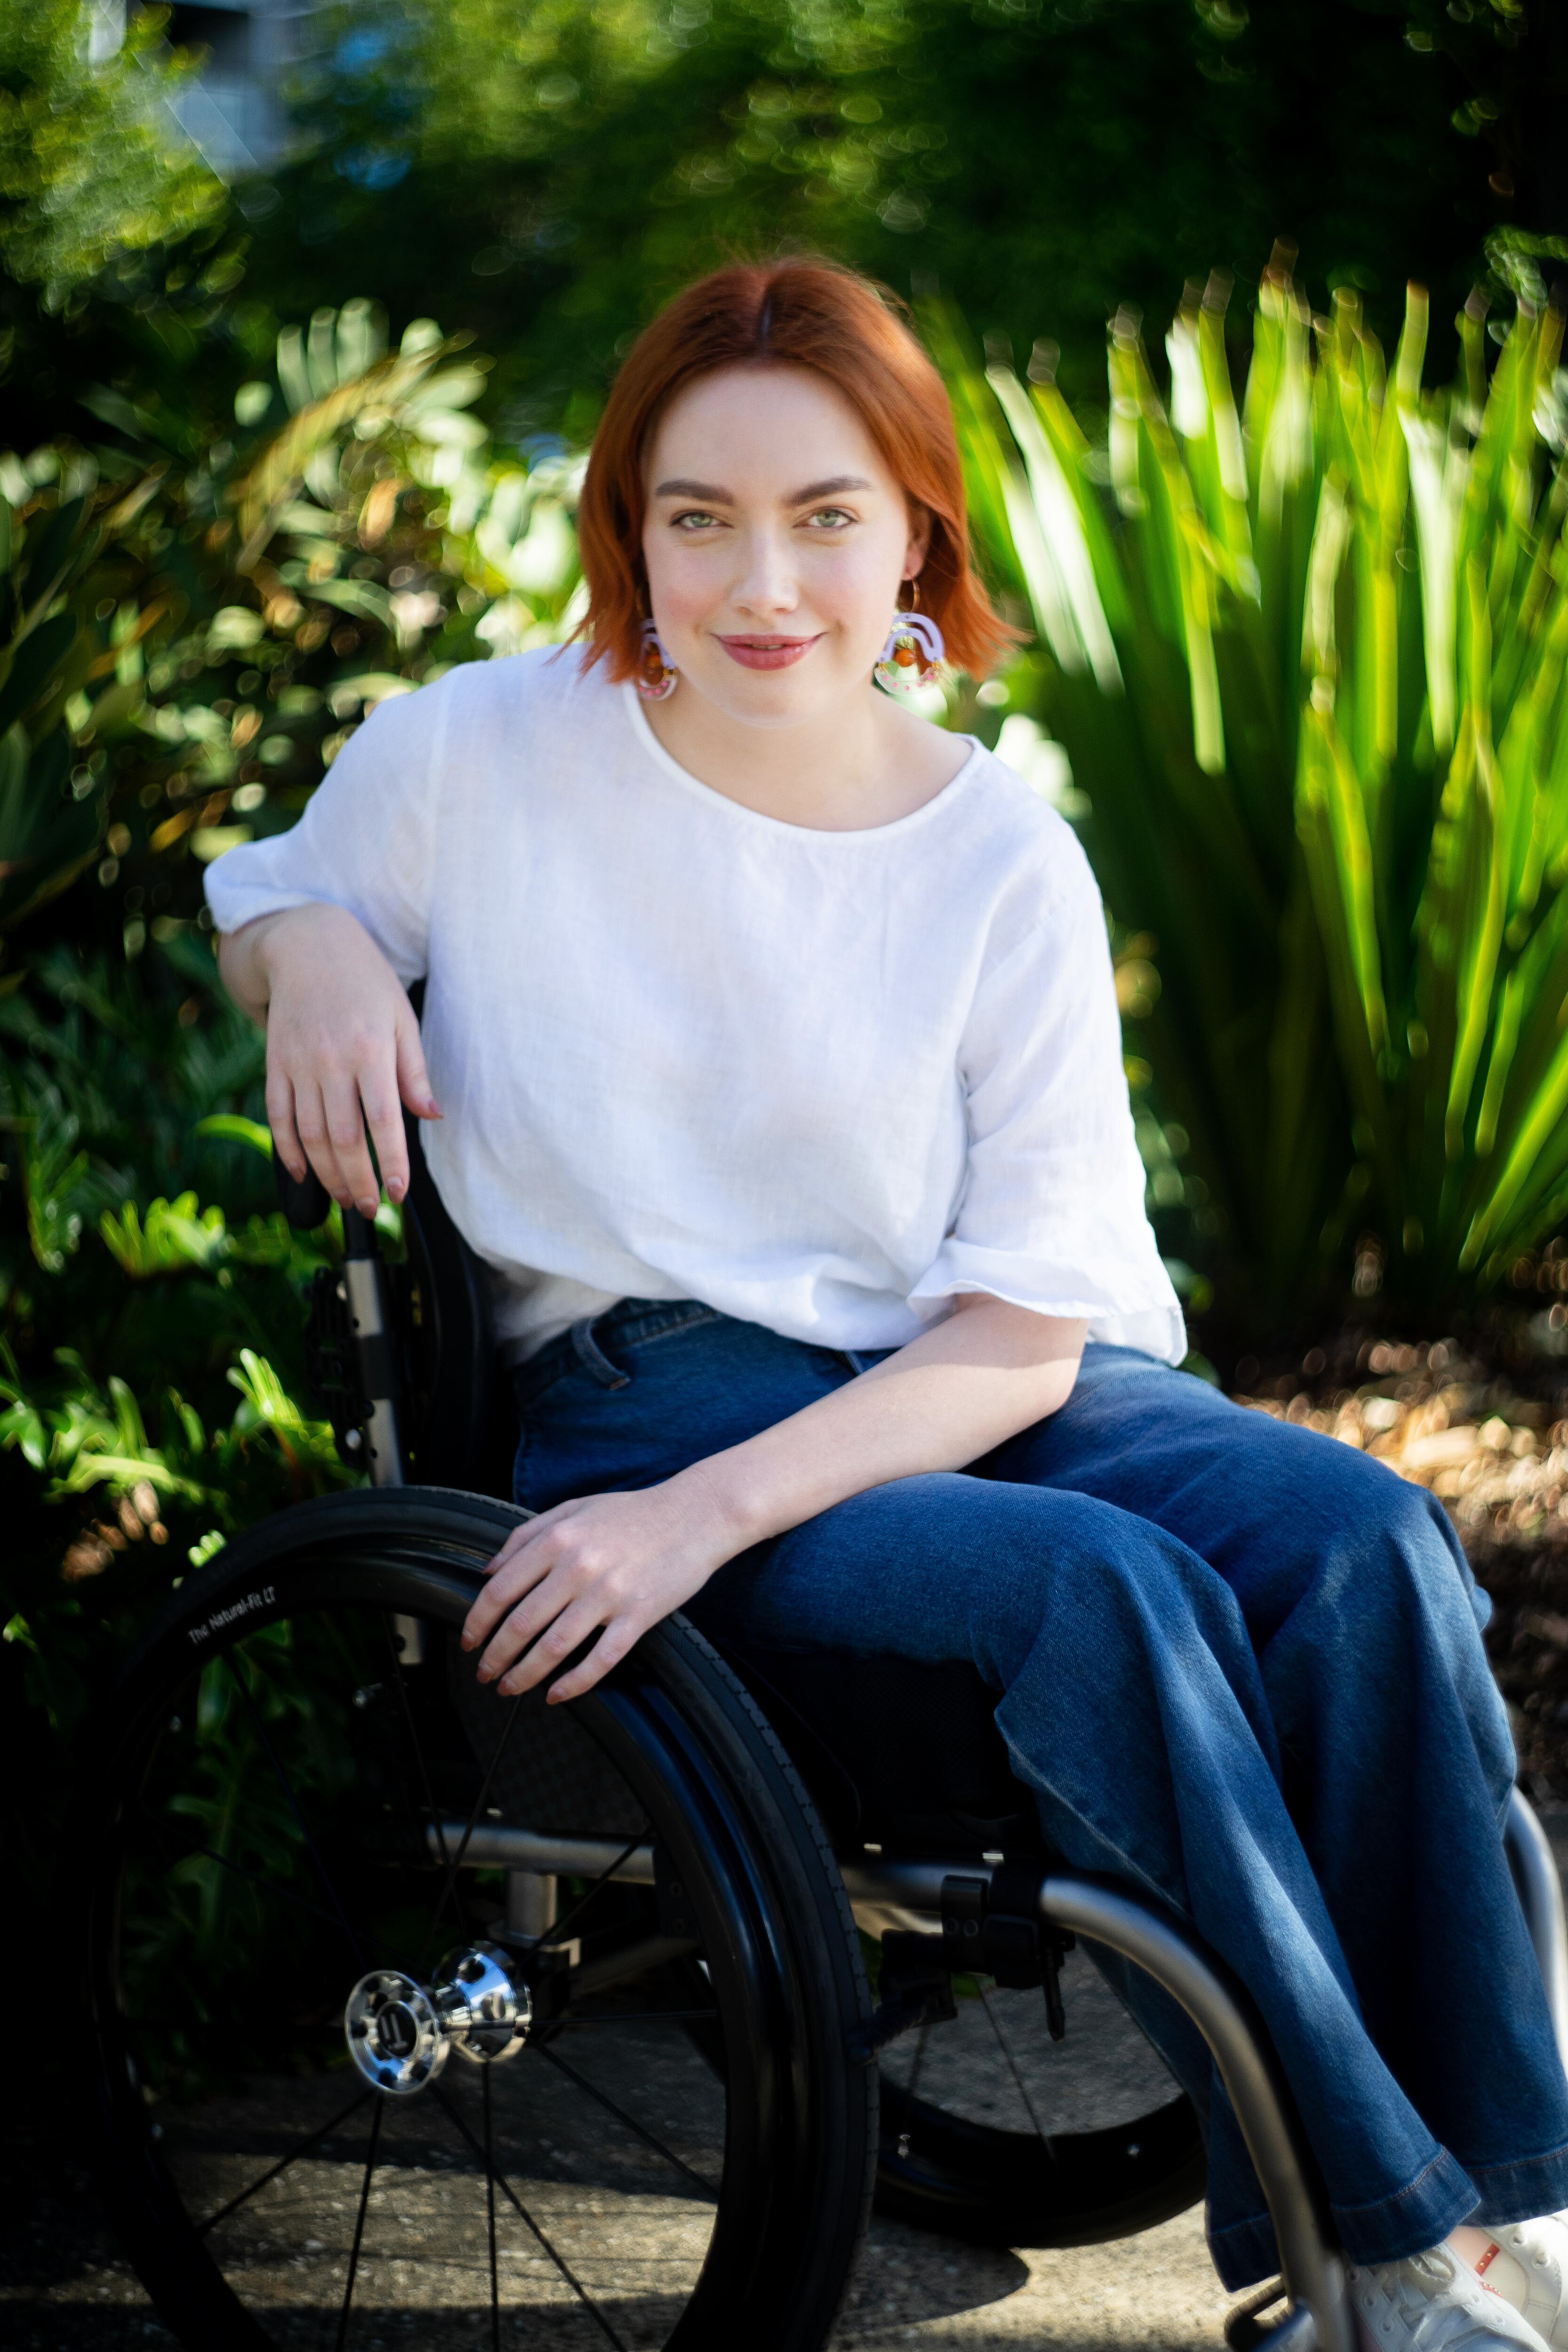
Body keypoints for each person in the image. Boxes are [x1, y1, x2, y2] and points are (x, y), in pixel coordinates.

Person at [210, 257, 1568, 2352]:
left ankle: (1507, 2207)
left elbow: (1024, 1332)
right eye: (700, 516)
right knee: (1098, 1594)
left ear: (917, 533)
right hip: (645, 1397)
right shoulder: (483, 752)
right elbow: (278, 882)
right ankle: (1379, 2247)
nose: (766, 580)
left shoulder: (997, 854)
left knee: (1371, 1530)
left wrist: (725, 1517)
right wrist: (305, 944)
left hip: (964, 1381)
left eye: (828, 514)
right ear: (629, 528)